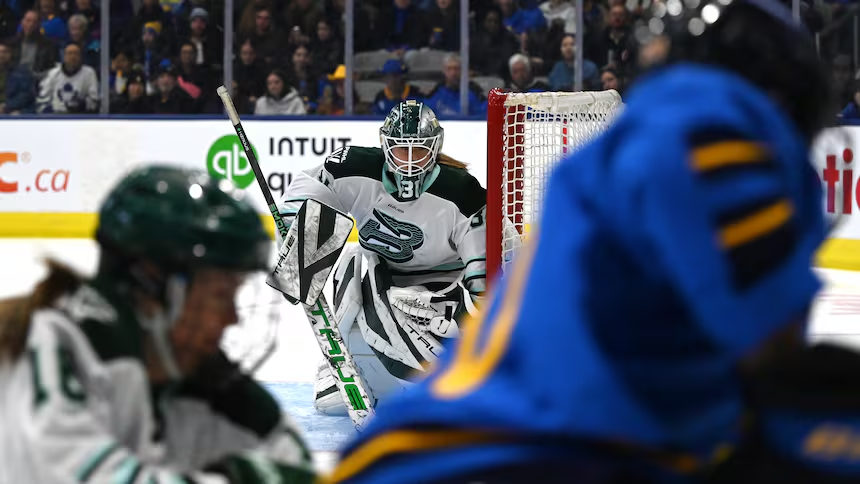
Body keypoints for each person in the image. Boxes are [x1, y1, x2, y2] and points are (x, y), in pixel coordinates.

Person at [327, 0, 837, 482]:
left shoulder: (619, 151)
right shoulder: (709, 138)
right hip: (533, 451)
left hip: (429, 445)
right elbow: (761, 337)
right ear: (779, 95)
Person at [0, 165, 316, 484]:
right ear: (151, 287)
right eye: (220, 295)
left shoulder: (190, 381)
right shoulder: (52, 349)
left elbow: (296, 464)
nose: (232, 317)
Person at [276, 100, 486, 417]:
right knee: (351, 259)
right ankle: (337, 363)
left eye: (420, 151)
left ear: (435, 148)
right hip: (385, 275)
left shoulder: (463, 193)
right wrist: (295, 232)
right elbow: (311, 187)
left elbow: (485, 278)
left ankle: (444, 380)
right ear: (386, 146)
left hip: (444, 286)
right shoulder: (354, 168)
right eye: (403, 150)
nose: (411, 162)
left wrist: (457, 308)